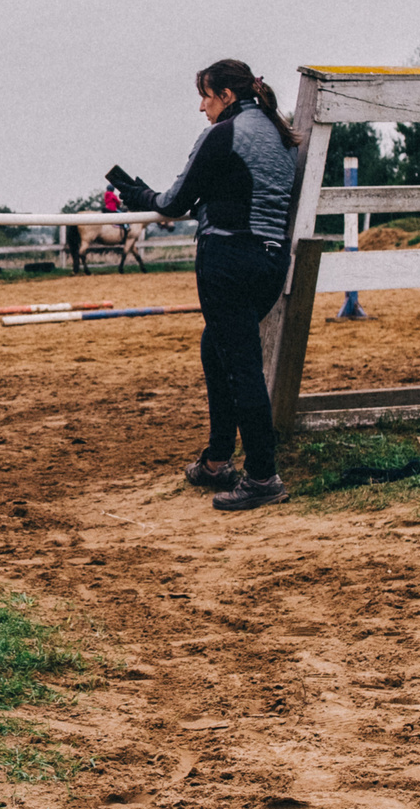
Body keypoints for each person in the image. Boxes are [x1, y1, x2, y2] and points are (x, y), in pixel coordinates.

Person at [111, 59, 300, 511]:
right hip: (270, 262)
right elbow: (236, 193)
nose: (202, 107)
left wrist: (135, 193)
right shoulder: (280, 134)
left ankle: (262, 476)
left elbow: (173, 202)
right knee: (216, 347)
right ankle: (217, 460)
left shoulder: (224, 134)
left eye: (206, 96)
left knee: (241, 365)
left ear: (227, 96)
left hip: (229, 260)